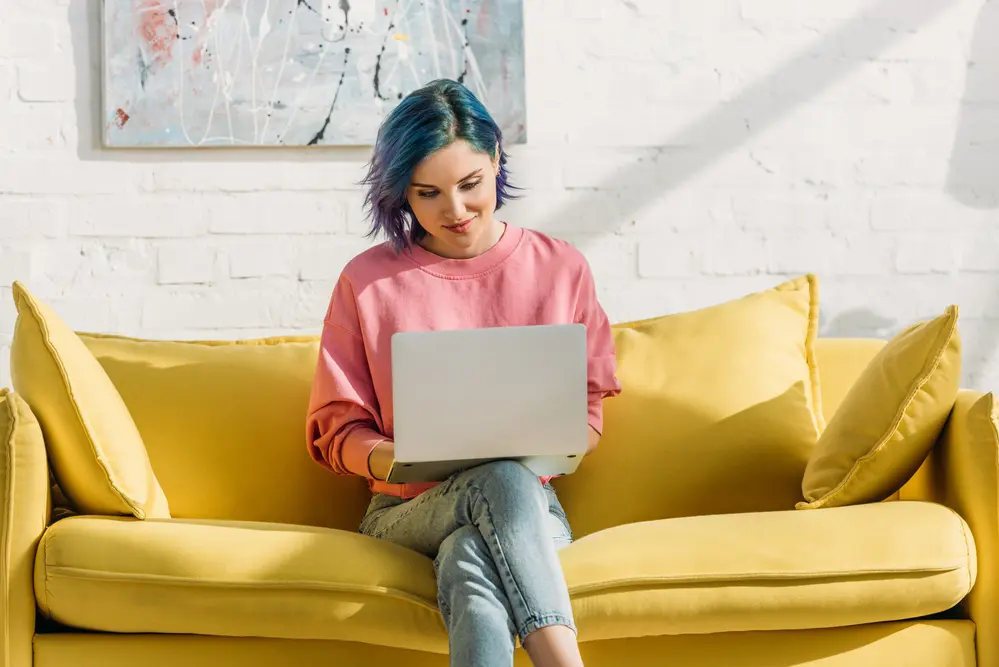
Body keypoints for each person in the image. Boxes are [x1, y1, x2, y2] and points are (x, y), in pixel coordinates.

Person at [306, 79, 622, 667]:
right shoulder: (367, 281)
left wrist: (552, 442)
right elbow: (337, 434)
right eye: (427, 193)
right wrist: (399, 457)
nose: (454, 211)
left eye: (470, 185)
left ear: (496, 161)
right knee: (497, 480)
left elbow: (588, 414)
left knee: (471, 556)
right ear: (403, 192)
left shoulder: (561, 269)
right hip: (405, 513)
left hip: (531, 512)